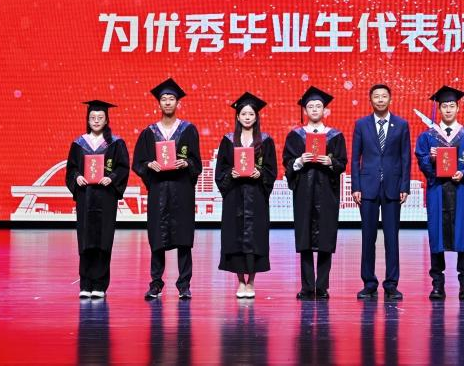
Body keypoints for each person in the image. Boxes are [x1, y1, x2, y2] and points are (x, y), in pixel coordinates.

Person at [132, 78, 202, 300]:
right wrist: (149, 165)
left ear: (178, 102)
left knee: (183, 239)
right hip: (159, 191)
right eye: (164, 99)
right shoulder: (149, 132)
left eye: (172, 99)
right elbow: (138, 162)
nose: (168, 102)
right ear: (159, 103)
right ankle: (155, 283)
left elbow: (196, 162)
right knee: (157, 238)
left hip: (181, 190)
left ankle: (184, 285)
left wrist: (187, 163)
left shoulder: (188, 130)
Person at [414, 85, 464, 301]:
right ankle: (437, 285)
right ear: (439, 108)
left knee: (462, 236)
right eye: (444, 106)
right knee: (436, 236)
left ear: (458, 108)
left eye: (452, 106)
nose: (448, 109)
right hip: (437, 190)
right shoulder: (428, 136)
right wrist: (430, 158)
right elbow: (421, 160)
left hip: (459, 191)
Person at [282, 86, 348, 299]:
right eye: (310, 106)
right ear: (305, 110)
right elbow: (287, 162)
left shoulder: (335, 136)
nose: (314, 109)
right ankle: (307, 286)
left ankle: (323, 286)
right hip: (304, 191)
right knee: (305, 238)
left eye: (318, 106)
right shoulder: (295, 136)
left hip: (327, 192)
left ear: (324, 110)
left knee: (326, 237)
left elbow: (342, 163)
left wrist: (330, 162)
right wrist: (300, 161)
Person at [351, 83, 412, 301]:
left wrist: (404, 186)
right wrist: (356, 187)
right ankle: (369, 283)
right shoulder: (361, 124)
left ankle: (391, 284)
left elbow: (406, 157)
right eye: (376, 96)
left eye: (383, 96)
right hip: (367, 187)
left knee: (391, 238)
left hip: (393, 187)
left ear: (390, 99)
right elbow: (355, 158)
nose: (380, 100)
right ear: (370, 100)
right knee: (368, 237)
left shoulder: (401, 125)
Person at [65, 100, 130, 298]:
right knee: (85, 241)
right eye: (92, 117)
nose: (96, 121)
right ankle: (85, 284)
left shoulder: (115, 143)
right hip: (85, 197)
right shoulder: (79, 143)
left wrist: (112, 178)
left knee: (103, 241)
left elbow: (122, 167)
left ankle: (100, 285)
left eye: (100, 117)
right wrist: (77, 177)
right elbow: (71, 168)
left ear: (106, 120)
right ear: (87, 119)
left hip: (106, 197)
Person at [215, 92, 278, 299]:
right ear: (238, 116)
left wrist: (261, 174)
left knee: (255, 239)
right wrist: (230, 174)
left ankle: (251, 282)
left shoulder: (265, 141)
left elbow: (272, 169)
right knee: (235, 238)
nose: (248, 117)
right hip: (234, 196)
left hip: (256, 197)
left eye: (251, 114)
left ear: (256, 116)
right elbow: (220, 169)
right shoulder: (228, 140)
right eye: (244, 114)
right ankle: (240, 281)